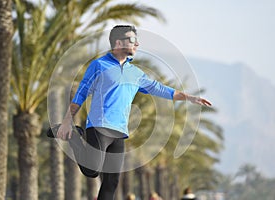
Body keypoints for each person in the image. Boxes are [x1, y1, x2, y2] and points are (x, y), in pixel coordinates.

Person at [55, 25, 211, 200]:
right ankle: (75, 136)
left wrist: (189, 97)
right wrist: (68, 121)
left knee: (112, 181)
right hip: (100, 125)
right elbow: (81, 92)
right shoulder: (99, 65)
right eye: (132, 40)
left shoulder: (135, 73)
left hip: (120, 132)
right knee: (92, 170)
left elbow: (160, 89)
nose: (137, 43)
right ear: (118, 42)